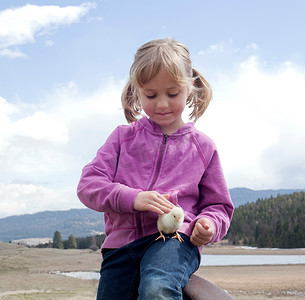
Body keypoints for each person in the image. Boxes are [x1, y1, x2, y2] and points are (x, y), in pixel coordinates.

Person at [77, 38, 234, 300]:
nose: (162, 104)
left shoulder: (203, 147)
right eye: (151, 95)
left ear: (189, 88)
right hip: (120, 246)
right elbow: (88, 186)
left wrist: (208, 224)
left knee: (157, 287)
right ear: (136, 91)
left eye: (172, 94)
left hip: (175, 241)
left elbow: (219, 206)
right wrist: (133, 198)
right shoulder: (121, 138)